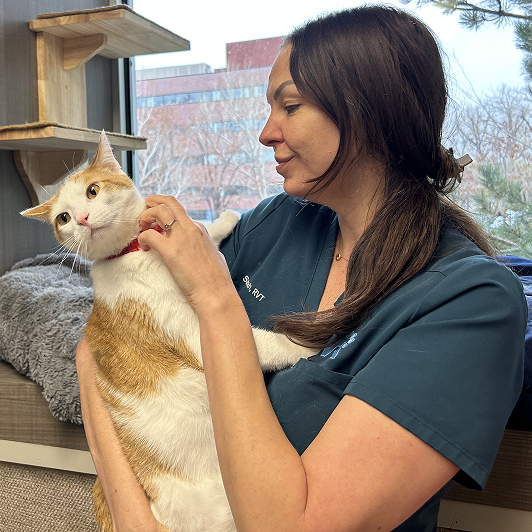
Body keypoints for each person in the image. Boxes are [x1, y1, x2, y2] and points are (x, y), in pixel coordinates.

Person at [76, 5, 527, 532]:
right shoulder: (278, 223)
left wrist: (215, 299)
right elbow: (97, 348)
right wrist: (133, 517)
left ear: (368, 110)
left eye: (289, 106)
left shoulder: (472, 302)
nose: (266, 133)